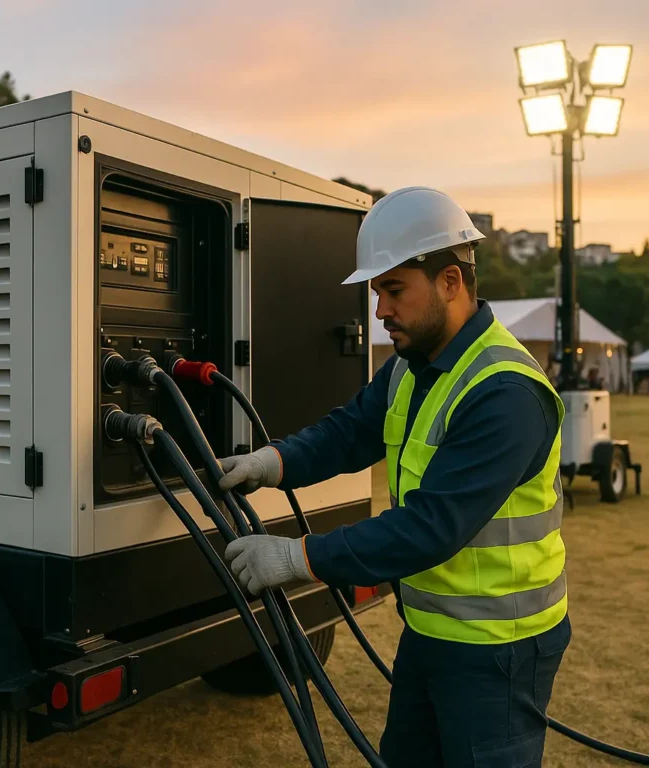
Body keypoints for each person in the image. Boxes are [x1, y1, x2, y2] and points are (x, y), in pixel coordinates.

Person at [219, 187, 571, 767]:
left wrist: (293, 560)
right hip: (432, 632)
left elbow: (431, 527)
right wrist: (270, 463)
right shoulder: (415, 365)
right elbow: (350, 431)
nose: (379, 310)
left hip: (499, 652)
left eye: (394, 290)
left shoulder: (506, 392)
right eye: (378, 291)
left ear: (451, 282)